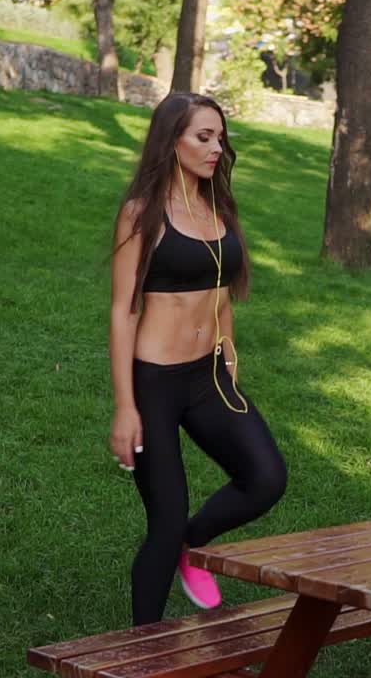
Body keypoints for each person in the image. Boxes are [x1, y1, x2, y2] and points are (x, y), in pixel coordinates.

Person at [107, 92, 288, 626]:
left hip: (209, 376)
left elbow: (221, 289)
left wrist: (228, 349)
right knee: (163, 522)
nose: (216, 148)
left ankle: (194, 544)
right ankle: (144, 647)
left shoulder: (216, 207)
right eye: (203, 137)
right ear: (172, 141)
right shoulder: (142, 213)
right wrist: (125, 407)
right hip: (155, 382)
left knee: (266, 478)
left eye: (220, 137)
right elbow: (123, 309)